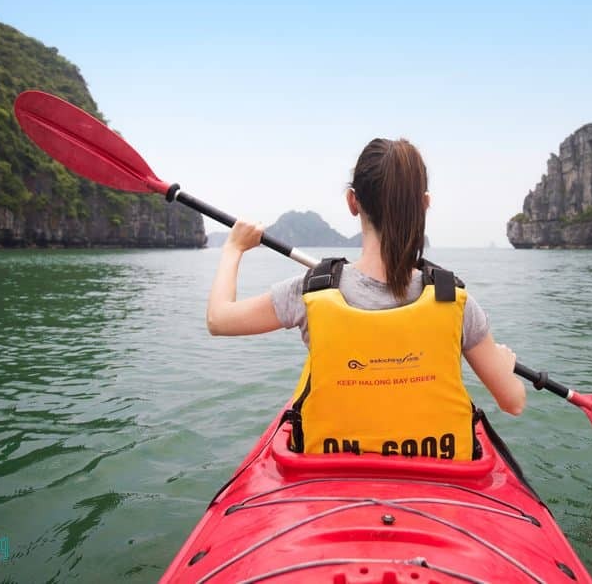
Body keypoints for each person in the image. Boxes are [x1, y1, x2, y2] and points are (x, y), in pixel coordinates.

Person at [206, 138, 525, 461]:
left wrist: (233, 248)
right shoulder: (452, 299)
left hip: (328, 475)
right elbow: (513, 402)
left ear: (352, 201)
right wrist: (504, 365)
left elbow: (219, 320)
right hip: (439, 481)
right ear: (424, 203)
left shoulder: (310, 292)